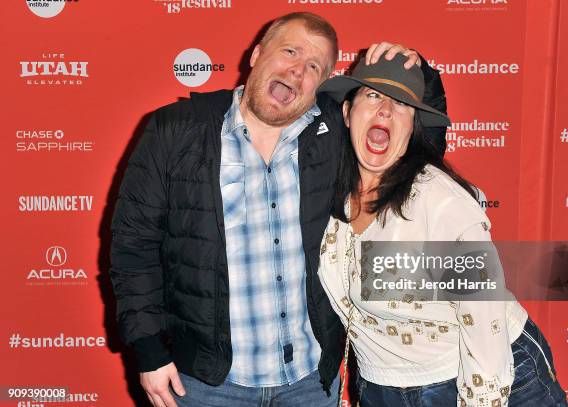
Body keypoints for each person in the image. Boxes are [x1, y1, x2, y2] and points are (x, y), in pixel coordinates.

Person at [110, 12, 447, 407]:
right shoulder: (176, 129)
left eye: (313, 67)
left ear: (321, 86)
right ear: (256, 55)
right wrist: (148, 349)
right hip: (206, 383)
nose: (297, 71)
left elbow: (418, 145)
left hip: (308, 382)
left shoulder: (335, 135)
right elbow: (134, 248)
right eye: (290, 51)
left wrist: (416, 72)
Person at [316, 53, 568, 406]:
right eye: (372, 95)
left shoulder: (438, 200)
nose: (385, 110)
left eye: (401, 103)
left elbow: (483, 319)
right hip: (382, 387)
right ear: (346, 113)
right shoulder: (327, 192)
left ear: (413, 126)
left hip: (478, 373)